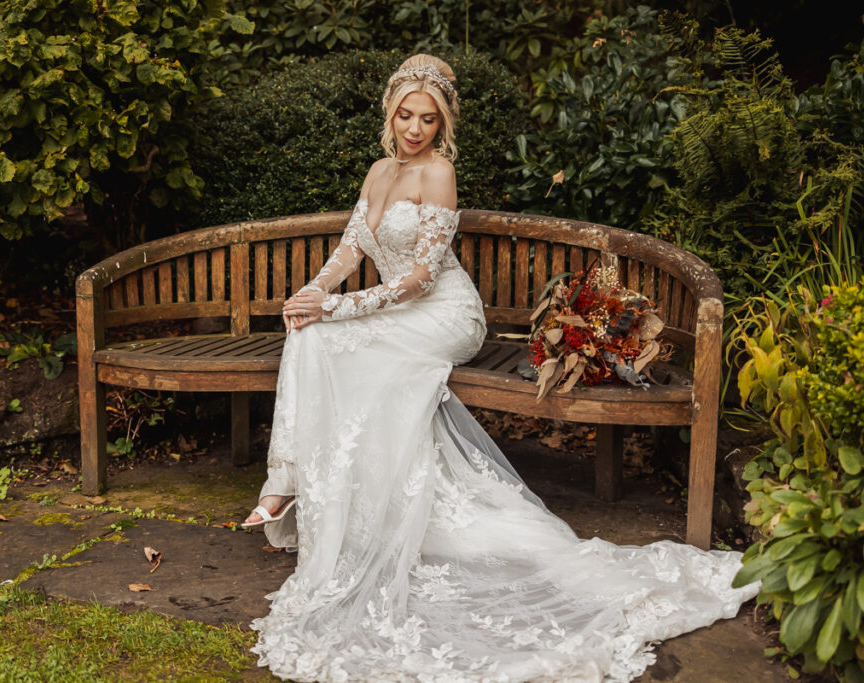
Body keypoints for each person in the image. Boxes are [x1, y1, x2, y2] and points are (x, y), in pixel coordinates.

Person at [241, 54, 759, 682]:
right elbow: (351, 248)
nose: (414, 129)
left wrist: (340, 306)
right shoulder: (379, 171)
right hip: (394, 307)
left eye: (427, 119)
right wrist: (312, 294)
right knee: (311, 334)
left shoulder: (439, 176)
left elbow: (420, 279)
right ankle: (285, 479)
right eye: (405, 115)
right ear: (390, 112)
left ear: (443, 122)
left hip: (444, 314)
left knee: (334, 335)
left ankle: (314, 486)